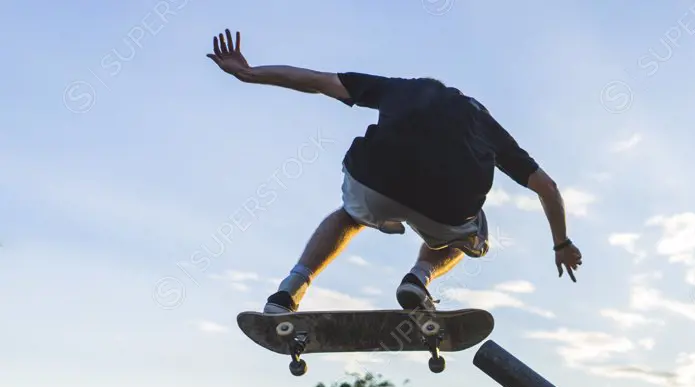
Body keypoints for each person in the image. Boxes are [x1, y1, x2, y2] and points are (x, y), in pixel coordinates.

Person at [206, 29, 583, 315]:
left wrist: (250, 73)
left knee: (348, 217)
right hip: (448, 207)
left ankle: (289, 291)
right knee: (473, 232)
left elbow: (316, 81)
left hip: (374, 182)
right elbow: (547, 188)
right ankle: (418, 279)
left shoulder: (397, 89)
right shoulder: (486, 125)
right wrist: (561, 244)